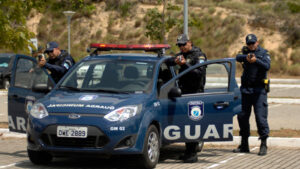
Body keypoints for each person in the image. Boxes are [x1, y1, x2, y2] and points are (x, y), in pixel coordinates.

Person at [167, 34, 207, 163]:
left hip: (195, 94)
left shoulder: (199, 56)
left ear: (190, 42)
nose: (182, 47)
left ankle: (193, 153)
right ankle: (188, 151)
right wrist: (173, 61)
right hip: (183, 93)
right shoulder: (181, 55)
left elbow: (198, 73)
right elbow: (168, 62)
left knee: (193, 124)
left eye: (183, 44)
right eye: (179, 45)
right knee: (186, 124)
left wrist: (184, 65)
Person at [233, 34, 271, 156]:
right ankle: (244, 144)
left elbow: (267, 66)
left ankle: (263, 144)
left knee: (260, 118)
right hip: (246, 90)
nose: (251, 46)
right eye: (249, 44)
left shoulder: (264, 53)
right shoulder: (245, 52)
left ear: (257, 42)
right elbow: (237, 57)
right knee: (242, 117)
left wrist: (256, 60)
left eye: (253, 43)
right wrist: (246, 58)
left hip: (259, 91)